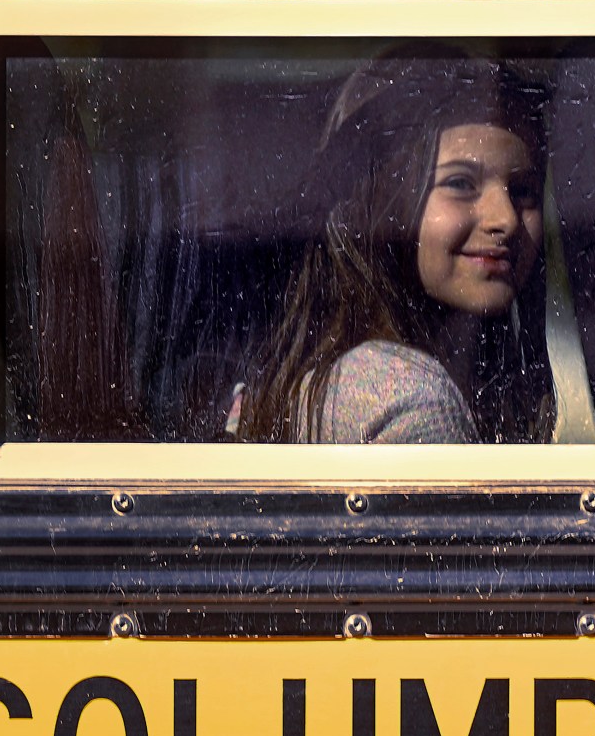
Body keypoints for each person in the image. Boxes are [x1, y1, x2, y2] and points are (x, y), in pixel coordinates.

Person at [234, 47, 555, 444]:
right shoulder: (414, 401)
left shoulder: (292, 382)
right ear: (381, 204)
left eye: (523, 189)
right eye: (460, 183)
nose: (504, 218)